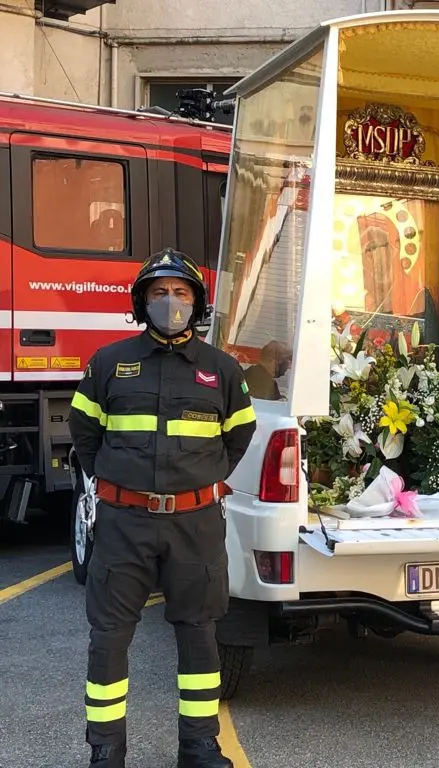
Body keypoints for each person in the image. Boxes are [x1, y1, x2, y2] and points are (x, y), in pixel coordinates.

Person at [69, 248, 257, 768]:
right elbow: (85, 432)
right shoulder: (108, 363)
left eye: (180, 293)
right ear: (141, 302)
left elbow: (239, 434)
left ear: (196, 303)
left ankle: (199, 747)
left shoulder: (221, 370)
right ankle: (106, 753)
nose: (169, 302)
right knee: (109, 636)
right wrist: (119, 481)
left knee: (199, 634)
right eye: (158, 293)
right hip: (123, 523)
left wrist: (200, 480)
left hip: (194, 524)